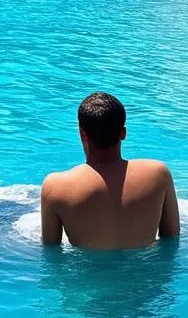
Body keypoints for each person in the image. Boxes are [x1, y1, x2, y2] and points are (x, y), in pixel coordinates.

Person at [40, 92, 179, 250]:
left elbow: (51, 251)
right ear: (123, 133)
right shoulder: (158, 174)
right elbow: (172, 240)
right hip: (143, 273)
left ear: (82, 133)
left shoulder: (55, 186)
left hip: (88, 274)